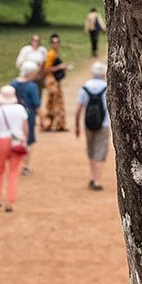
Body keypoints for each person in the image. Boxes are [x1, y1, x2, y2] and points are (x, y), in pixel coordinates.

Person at [0, 84, 30, 212]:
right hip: (17, 141)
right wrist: (24, 140)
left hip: (2, 140)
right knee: (13, 172)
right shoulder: (20, 109)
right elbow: (25, 127)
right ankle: (10, 202)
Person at [74, 60, 111, 190]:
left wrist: (77, 125)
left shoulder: (85, 87)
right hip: (104, 124)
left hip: (88, 123)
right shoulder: (107, 87)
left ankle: (92, 176)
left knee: (91, 150)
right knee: (99, 152)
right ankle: (97, 180)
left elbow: (78, 108)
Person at [11, 64, 42, 172]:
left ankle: (14, 163)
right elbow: (37, 104)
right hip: (28, 116)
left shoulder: (13, 83)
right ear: (30, 72)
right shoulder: (32, 86)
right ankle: (26, 165)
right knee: (28, 139)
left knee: (15, 137)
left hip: (14, 115)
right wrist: (42, 119)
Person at [40, 34, 69, 132]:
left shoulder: (54, 54)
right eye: (53, 43)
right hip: (51, 80)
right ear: (51, 44)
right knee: (54, 101)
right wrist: (60, 67)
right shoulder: (51, 54)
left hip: (54, 80)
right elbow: (47, 69)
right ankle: (52, 123)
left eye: (57, 43)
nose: (55, 45)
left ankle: (56, 124)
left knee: (55, 101)